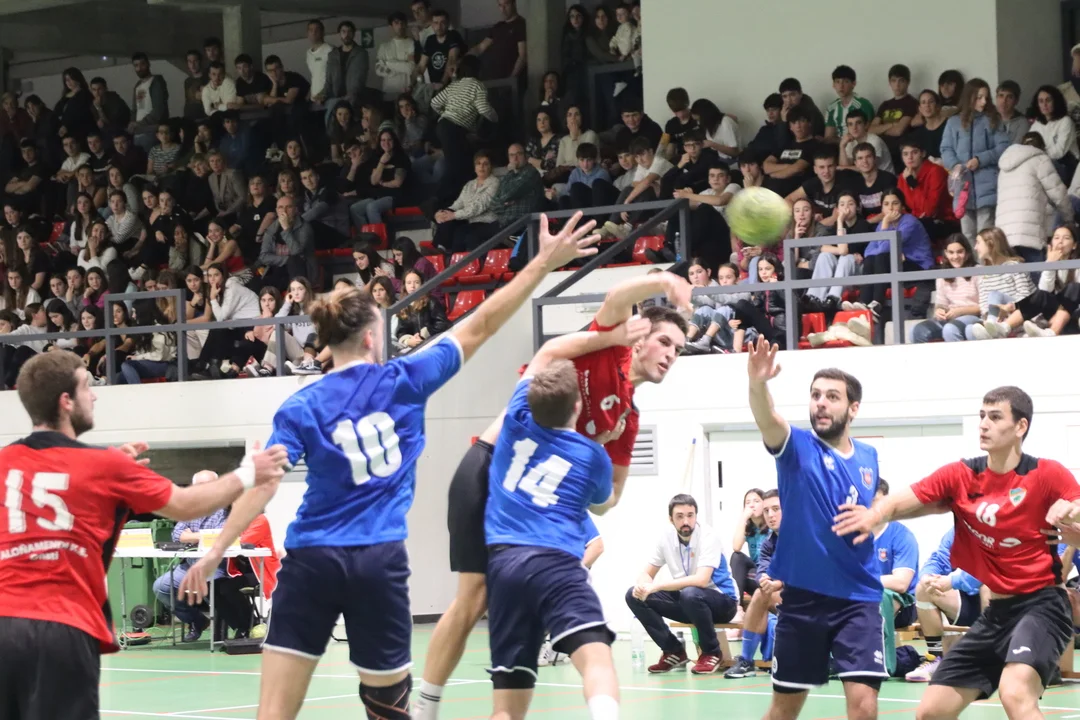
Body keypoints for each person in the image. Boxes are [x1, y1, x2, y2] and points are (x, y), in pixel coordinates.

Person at [177, 212, 604, 720]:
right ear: (371, 338)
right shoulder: (405, 379)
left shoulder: (300, 406)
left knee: (274, 713)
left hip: (312, 558)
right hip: (377, 561)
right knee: (386, 707)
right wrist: (541, 263)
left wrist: (215, 551)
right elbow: (483, 323)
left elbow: (263, 485)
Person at [413, 274, 692, 720]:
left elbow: (610, 498)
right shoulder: (609, 347)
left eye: (679, 349)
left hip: (538, 507)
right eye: (665, 342)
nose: (672, 355)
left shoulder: (627, 417)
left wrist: (598, 448)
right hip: (488, 467)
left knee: (501, 595)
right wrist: (665, 281)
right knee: (472, 597)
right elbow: (616, 297)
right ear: (639, 338)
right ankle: (424, 705)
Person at [0, 351, 286, 719]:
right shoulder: (104, 464)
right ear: (66, 401)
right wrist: (249, 472)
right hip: (63, 628)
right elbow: (186, 504)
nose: (95, 395)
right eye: (87, 386)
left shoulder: (6, 461)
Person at [833, 386, 1080, 720]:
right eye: (982, 416)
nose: (984, 424)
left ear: (1020, 426)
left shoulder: (1046, 474)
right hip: (996, 612)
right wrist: (874, 514)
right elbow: (909, 497)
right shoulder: (962, 475)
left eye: (995, 417)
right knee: (931, 712)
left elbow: (1076, 502)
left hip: (1043, 606)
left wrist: (1073, 511)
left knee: (1015, 692)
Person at [483, 345, 627, 719]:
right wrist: (608, 446)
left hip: (504, 565)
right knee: (597, 662)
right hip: (557, 563)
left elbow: (543, 359)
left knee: (507, 703)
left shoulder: (515, 418)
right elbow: (603, 504)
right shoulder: (592, 455)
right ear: (578, 406)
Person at [746, 339, 884, 720]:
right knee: (783, 711)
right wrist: (758, 384)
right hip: (803, 600)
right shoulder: (796, 446)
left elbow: (872, 512)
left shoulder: (869, 457)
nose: (821, 403)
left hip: (858, 598)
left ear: (853, 408)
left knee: (865, 707)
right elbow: (767, 417)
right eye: (815, 395)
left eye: (832, 397)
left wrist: (873, 516)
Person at [626, 493, 739, 675]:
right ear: (671, 519)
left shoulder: (709, 536)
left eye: (690, 515)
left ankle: (712, 652)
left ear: (696, 516)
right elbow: (646, 573)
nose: (686, 521)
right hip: (690, 602)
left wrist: (657, 586)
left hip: (723, 603)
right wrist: (642, 585)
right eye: (680, 516)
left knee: (690, 593)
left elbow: (701, 580)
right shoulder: (666, 538)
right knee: (634, 596)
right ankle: (673, 651)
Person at [904, 528, 985, 683]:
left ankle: (990, 656)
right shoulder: (957, 530)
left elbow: (989, 569)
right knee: (924, 588)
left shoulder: (996, 529)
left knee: (988, 586)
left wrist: (952, 581)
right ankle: (935, 658)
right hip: (966, 601)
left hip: (1000, 606)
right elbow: (939, 559)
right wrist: (927, 577)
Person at [725, 488, 782, 679]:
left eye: (776, 509)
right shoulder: (768, 543)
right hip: (781, 593)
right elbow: (762, 569)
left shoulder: (802, 536)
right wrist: (765, 580)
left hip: (811, 594)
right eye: (767, 511)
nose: (770, 515)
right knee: (760, 593)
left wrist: (778, 583)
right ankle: (746, 661)